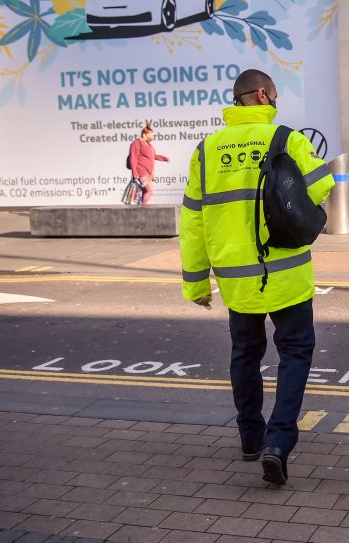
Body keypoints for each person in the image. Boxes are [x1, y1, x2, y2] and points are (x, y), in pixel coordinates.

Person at [179, 69, 334, 487]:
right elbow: (323, 185)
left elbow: (192, 221)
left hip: (236, 277)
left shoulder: (207, 150)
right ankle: (279, 442)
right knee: (295, 353)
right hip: (286, 272)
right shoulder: (287, 139)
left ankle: (251, 436)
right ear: (263, 95)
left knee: (245, 354)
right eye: (276, 96)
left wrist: (196, 282)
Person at [128, 121, 169, 205]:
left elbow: (153, 156)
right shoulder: (137, 143)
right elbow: (133, 157)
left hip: (148, 173)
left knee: (144, 191)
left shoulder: (149, 145)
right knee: (150, 190)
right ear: (145, 134)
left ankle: (141, 209)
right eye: (151, 135)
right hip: (141, 172)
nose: (152, 137)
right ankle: (142, 209)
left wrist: (164, 158)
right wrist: (134, 172)